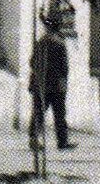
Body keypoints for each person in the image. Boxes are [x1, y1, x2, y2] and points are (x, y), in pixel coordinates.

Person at [28, 21, 74, 151]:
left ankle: (34, 139)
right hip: (56, 86)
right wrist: (63, 80)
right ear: (58, 29)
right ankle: (62, 142)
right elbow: (64, 67)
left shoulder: (40, 42)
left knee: (38, 112)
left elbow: (32, 62)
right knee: (59, 114)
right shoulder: (60, 43)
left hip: (40, 84)